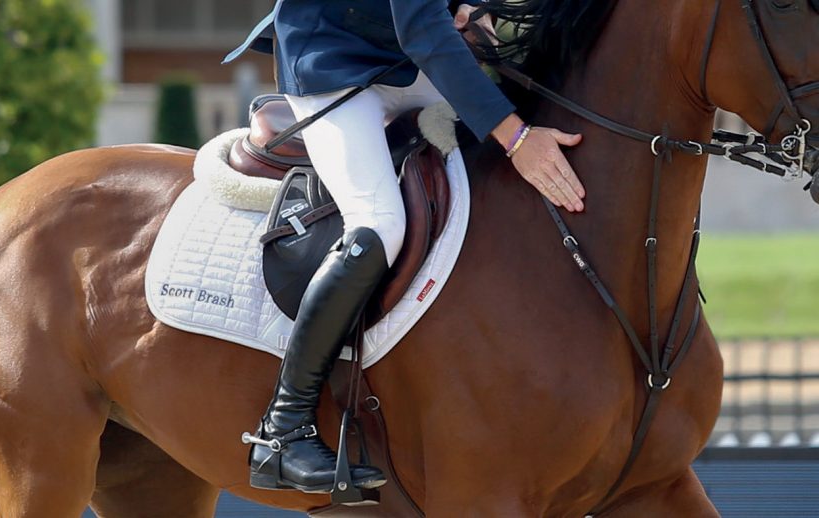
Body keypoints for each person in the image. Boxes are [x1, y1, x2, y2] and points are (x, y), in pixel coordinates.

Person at [225, 0, 586, 494]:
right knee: (379, 223)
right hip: (337, 66)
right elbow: (420, 24)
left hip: (407, 61)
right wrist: (519, 140)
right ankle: (284, 429)